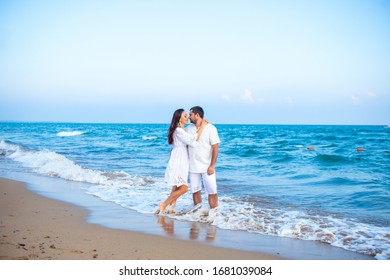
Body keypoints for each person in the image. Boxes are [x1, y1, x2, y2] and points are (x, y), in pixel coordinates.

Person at [157, 108, 207, 214]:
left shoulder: (179, 130)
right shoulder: (179, 131)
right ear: (179, 119)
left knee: (176, 186)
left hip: (179, 158)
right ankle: (164, 204)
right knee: (184, 188)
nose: (188, 117)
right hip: (180, 160)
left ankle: (171, 208)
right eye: (185, 116)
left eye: (187, 115)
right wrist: (202, 126)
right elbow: (193, 141)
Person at [186, 106, 220, 210]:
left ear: (197, 115)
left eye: (190, 114)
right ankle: (197, 214)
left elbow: (215, 148)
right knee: (195, 191)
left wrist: (212, 165)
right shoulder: (188, 129)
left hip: (207, 167)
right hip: (193, 167)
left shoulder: (211, 128)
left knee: (212, 191)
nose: (188, 117)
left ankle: (214, 215)